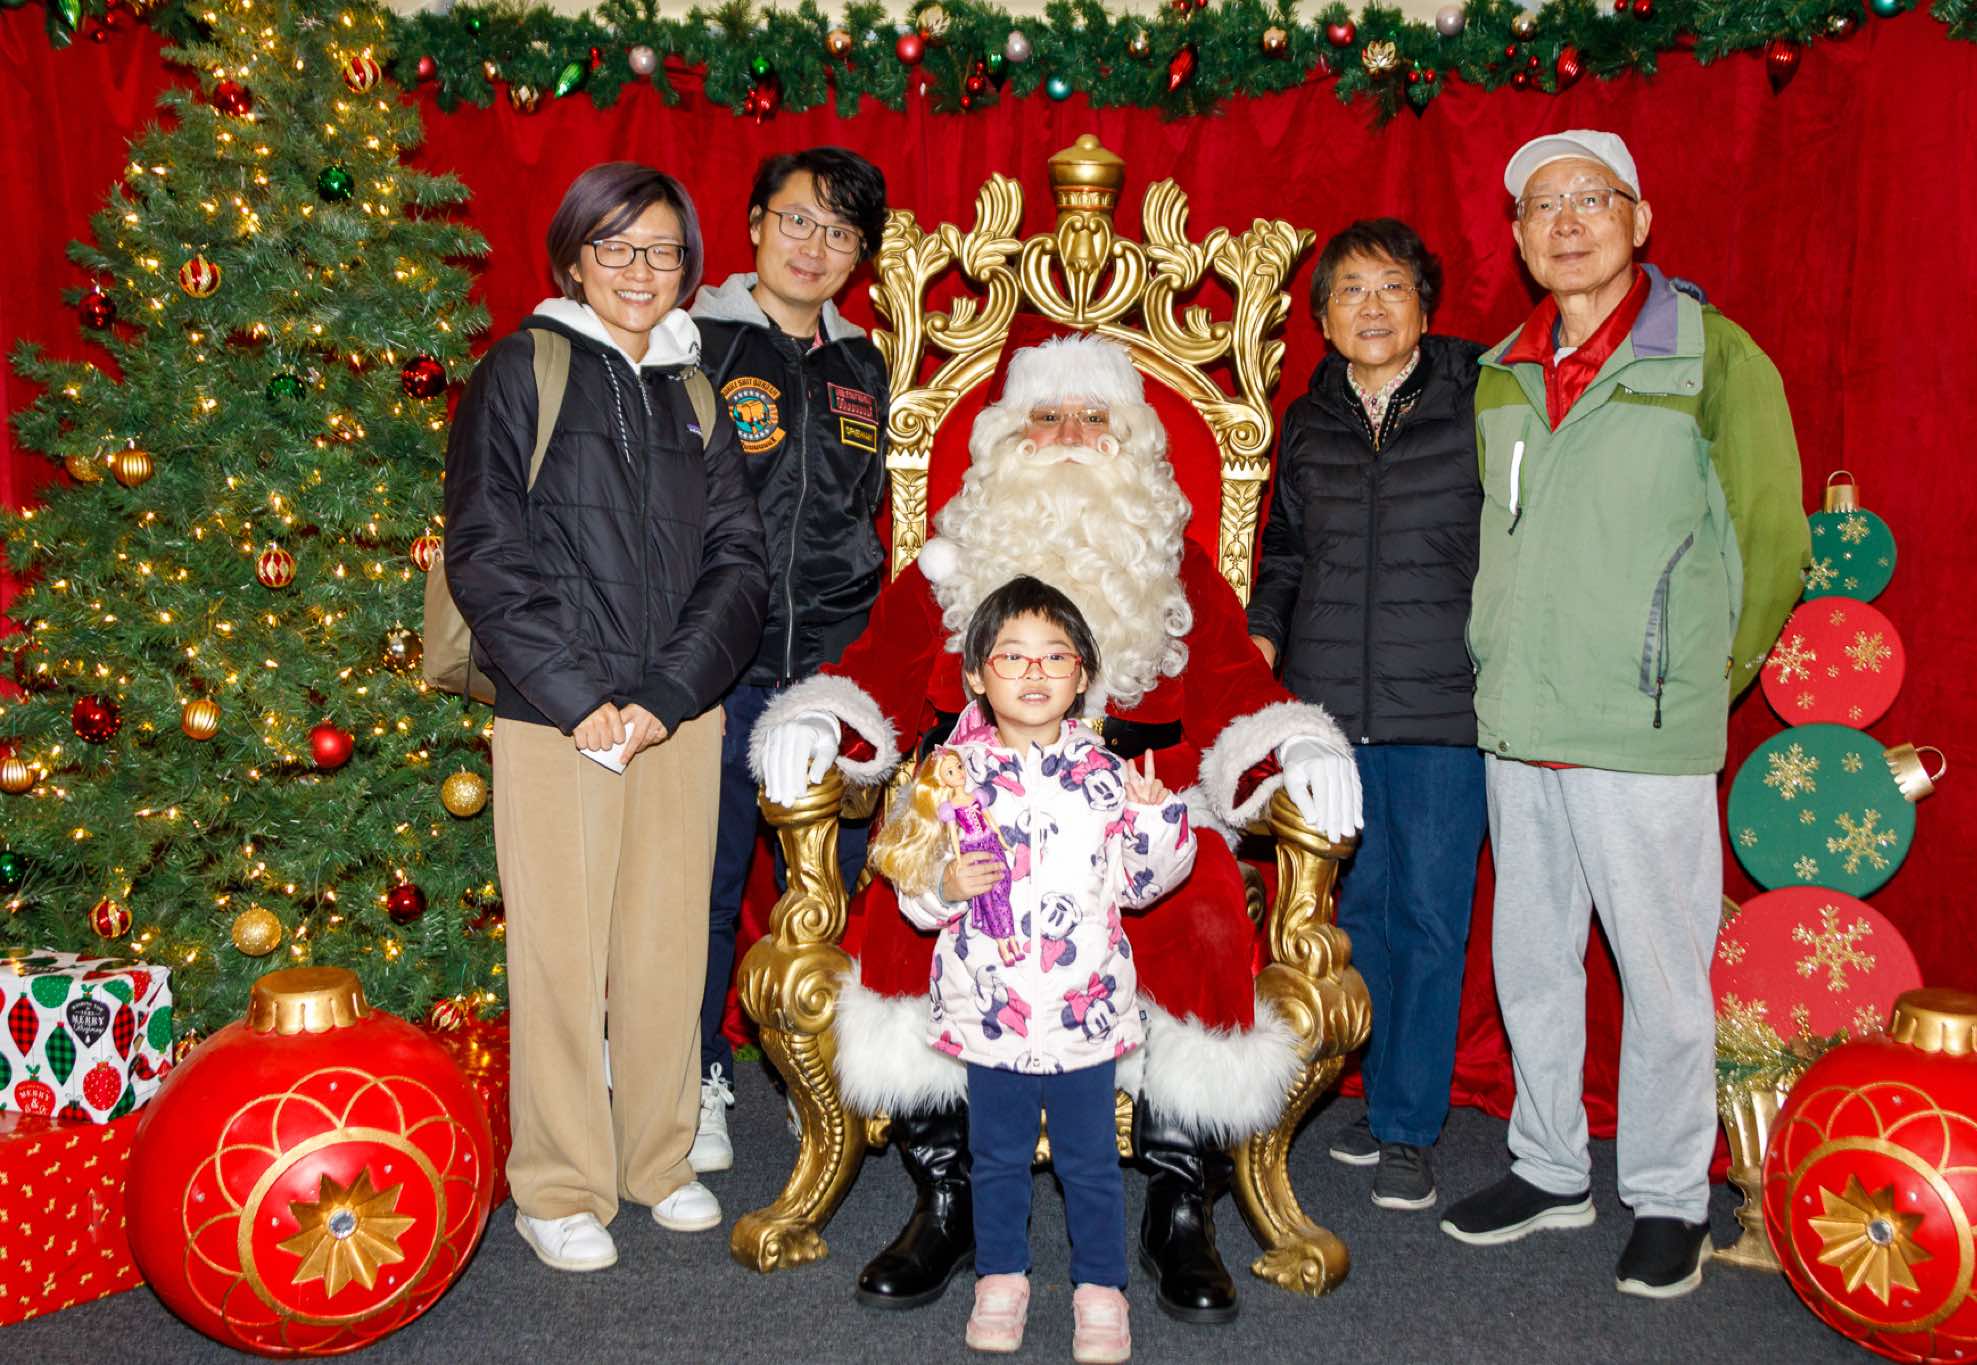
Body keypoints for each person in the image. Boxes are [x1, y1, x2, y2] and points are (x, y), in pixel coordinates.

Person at [753, 333, 1363, 1323]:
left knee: (1207, 906)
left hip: (1139, 810)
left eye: (1093, 418)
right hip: (978, 804)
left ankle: (1179, 1203)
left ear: (1131, 441)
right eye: (1046, 417)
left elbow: (1237, 689)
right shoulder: (952, 563)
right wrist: (820, 722)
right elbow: (872, 670)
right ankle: (946, 1194)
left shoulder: (1170, 564)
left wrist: (1295, 744)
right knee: (904, 915)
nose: (1070, 436)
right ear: (1007, 437)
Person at [1438, 130, 1808, 1298]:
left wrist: (1693, 676)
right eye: (1539, 206)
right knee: (1530, 961)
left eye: (1589, 199)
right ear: (1516, 237)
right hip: (1519, 715)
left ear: (1637, 219)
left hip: (1642, 726)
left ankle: (1666, 1194)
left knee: (1660, 974)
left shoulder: (1710, 357)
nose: (1565, 222)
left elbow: (1769, 539)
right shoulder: (1500, 371)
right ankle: (1548, 1165)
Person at [442, 162, 768, 1273]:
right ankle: (559, 1184)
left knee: (667, 951)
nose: (640, 270)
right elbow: (486, 550)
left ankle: (657, 1159)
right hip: (556, 718)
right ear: (574, 258)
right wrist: (581, 698)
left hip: (676, 715)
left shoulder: (695, 390)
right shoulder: (520, 369)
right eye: (616, 247)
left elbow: (739, 563)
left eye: (663, 250)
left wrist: (667, 697)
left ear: (688, 267)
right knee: (561, 959)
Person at [869, 575, 1196, 1363]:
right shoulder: (950, 778)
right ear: (977, 675)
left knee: (1091, 1163)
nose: (1034, 671)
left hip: (1084, 1010)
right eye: (1012, 656)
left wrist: (1155, 820)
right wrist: (946, 885)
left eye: (1055, 656)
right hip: (992, 1009)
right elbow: (911, 887)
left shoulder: (1106, 776)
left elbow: (1143, 883)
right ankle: (1000, 1277)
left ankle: (1101, 1288)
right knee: (996, 1158)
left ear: (1082, 675)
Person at [1245, 219, 1488, 1214]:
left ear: (1424, 305)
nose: (1372, 306)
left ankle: (1408, 1127)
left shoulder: (1480, 400)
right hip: (1332, 712)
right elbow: (1285, 551)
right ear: (1324, 318)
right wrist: (1261, 642)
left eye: (1391, 286)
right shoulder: (1309, 420)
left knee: (1431, 918)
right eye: (1349, 291)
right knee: (1358, 914)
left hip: (1443, 707)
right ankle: (1379, 1092)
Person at [689, 148, 891, 1174]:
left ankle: (830, 1079)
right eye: (798, 221)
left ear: (858, 256)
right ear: (757, 224)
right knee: (707, 885)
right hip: (718, 669)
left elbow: (865, 507)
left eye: (840, 232)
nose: (815, 246)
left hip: (833, 674)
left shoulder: (863, 365)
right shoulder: (695, 342)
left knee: (832, 887)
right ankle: (696, 1075)